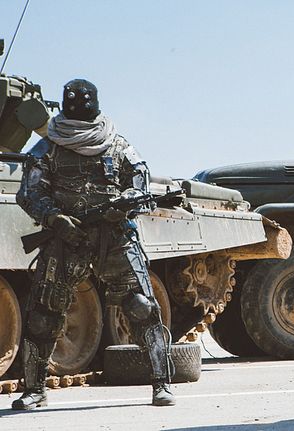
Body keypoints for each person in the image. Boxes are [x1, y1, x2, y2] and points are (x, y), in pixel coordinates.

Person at [12, 79, 175, 410]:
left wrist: (122, 207)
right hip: (66, 240)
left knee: (142, 307)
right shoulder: (48, 148)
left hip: (114, 238)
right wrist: (54, 218)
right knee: (43, 316)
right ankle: (35, 389)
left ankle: (162, 383)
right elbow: (29, 193)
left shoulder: (116, 145)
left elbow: (141, 186)